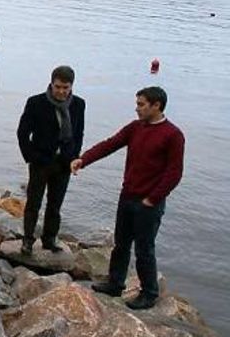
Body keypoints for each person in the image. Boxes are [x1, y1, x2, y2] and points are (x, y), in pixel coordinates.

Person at [71, 86, 184, 310]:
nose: (137, 108)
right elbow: (110, 144)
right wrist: (83, 160)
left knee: (144, 249)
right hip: (128, 196)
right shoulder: (135, 128)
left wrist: (152, 199)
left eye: (141, 104)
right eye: (138, 103)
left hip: (148, 203)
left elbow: (174, 173)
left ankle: (149, 293)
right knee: (121, 244)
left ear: (156, 105)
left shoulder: (173, 135)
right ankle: (115, 283)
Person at [16, 66, 85, 254]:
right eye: (58, 87)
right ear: (51, 83)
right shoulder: (36, 102)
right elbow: (23, 133)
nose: (61, 91)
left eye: (65, 88)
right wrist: (31, 156)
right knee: (34, 202)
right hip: (41, 160)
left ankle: (49, 239)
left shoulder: (79, 104)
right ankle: (27, 240)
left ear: (71, 86)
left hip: (64, 162)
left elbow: (78, 133)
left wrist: (74, 156)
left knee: (55, 205)